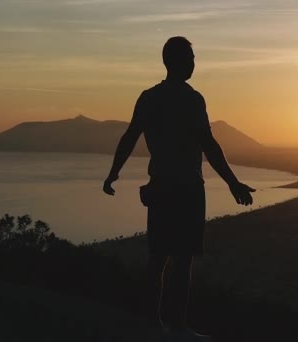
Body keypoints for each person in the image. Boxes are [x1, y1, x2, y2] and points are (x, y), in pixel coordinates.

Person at [103, 36, 255, 341]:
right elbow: (209, 146)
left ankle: (152, 322)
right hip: (186, 188)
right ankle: (177, 326)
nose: (194, 63)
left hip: (160, 186)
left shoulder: (149, 98)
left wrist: (113, 174)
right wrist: (232, 183)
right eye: (190, 57)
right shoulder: (192, 99)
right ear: (174, 60)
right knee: (182, 259)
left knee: (158, 257)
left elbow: (130, 137)